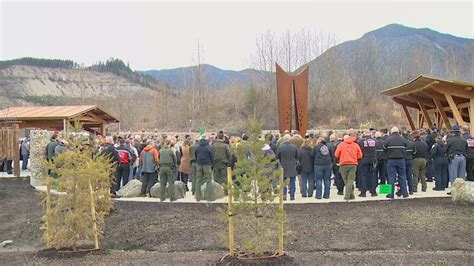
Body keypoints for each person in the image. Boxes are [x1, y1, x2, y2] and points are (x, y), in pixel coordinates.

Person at [335, 129, 362, 201]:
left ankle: (346, 197)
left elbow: (336, 154)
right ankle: (352, 195)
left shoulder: (341, 145)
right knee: (350, 180)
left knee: (346, 180)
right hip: (353, 164)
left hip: (343, 164)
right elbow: (360, 155)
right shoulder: (356, 145)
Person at [384, 127, 409, 199]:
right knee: (402, 176)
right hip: (401, 160)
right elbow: (406, 148)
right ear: (398, 132)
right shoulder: (403, 139)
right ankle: (405, 193)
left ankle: (391, 194)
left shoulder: (388, 139)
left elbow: (384, 149)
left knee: (391, 177)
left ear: (391, 132)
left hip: (391, 160)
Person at [276, 134, 299, 201]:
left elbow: (277, 156)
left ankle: (284, 195)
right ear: (290, 139)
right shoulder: (294, 147)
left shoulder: (280, 147)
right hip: (292, 166)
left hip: (283, 166)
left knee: (284, 182)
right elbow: (297, 156)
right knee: (292, 182)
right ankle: (292, 195)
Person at [357, 130, 377, 197]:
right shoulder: (375, 140)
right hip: (372, 160)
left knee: (363, 176)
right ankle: (373, 192)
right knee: (372, 176)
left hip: (364, 159)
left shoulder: (361, 141)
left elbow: (358, 150)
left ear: (364, 134)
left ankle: (363, 192)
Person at [194, 135, 214, 201]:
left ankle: (198, 197)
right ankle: (209, 197)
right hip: (207, 164)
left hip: (199, 164)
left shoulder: (197, 147)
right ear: (206, 140)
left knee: (198, 180)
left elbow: (196, 155)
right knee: (209, 180)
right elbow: (212, 156)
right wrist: (212, 164)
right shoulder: (209, 147)